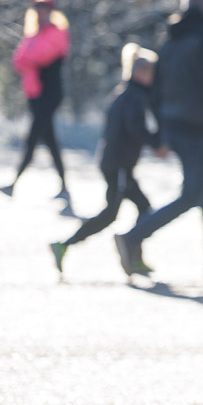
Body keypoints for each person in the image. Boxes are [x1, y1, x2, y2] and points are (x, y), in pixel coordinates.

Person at [114, 0, 203, 281]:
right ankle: (132, 237)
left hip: (175, 126)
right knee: (193, 193)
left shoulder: (169, 42)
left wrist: (163, 127)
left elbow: (156, 91)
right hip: (198, 127)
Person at [50, 44, 168, 274]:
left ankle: (133, 255)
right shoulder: (133, 96)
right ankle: (65, 245)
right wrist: (157, 143)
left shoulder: (126, 92)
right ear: (140, 73)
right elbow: (136, 127)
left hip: (117, 163)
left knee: (144, 208)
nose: (154, 78)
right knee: (110, 214)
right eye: (152, 73)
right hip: (119, 165)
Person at [0, 0, 72, 206]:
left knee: (32, 138)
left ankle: (14, 182)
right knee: (49, 140)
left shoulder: (57, 32)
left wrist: (30, 61)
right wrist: (29, 61)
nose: (40, 11)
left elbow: (40, 57)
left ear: (50, 10)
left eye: (44, 8)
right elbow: (18, 60)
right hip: (35, 95)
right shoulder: (32, 34)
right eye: (37, 7)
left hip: (49, 94)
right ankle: (64, 187)